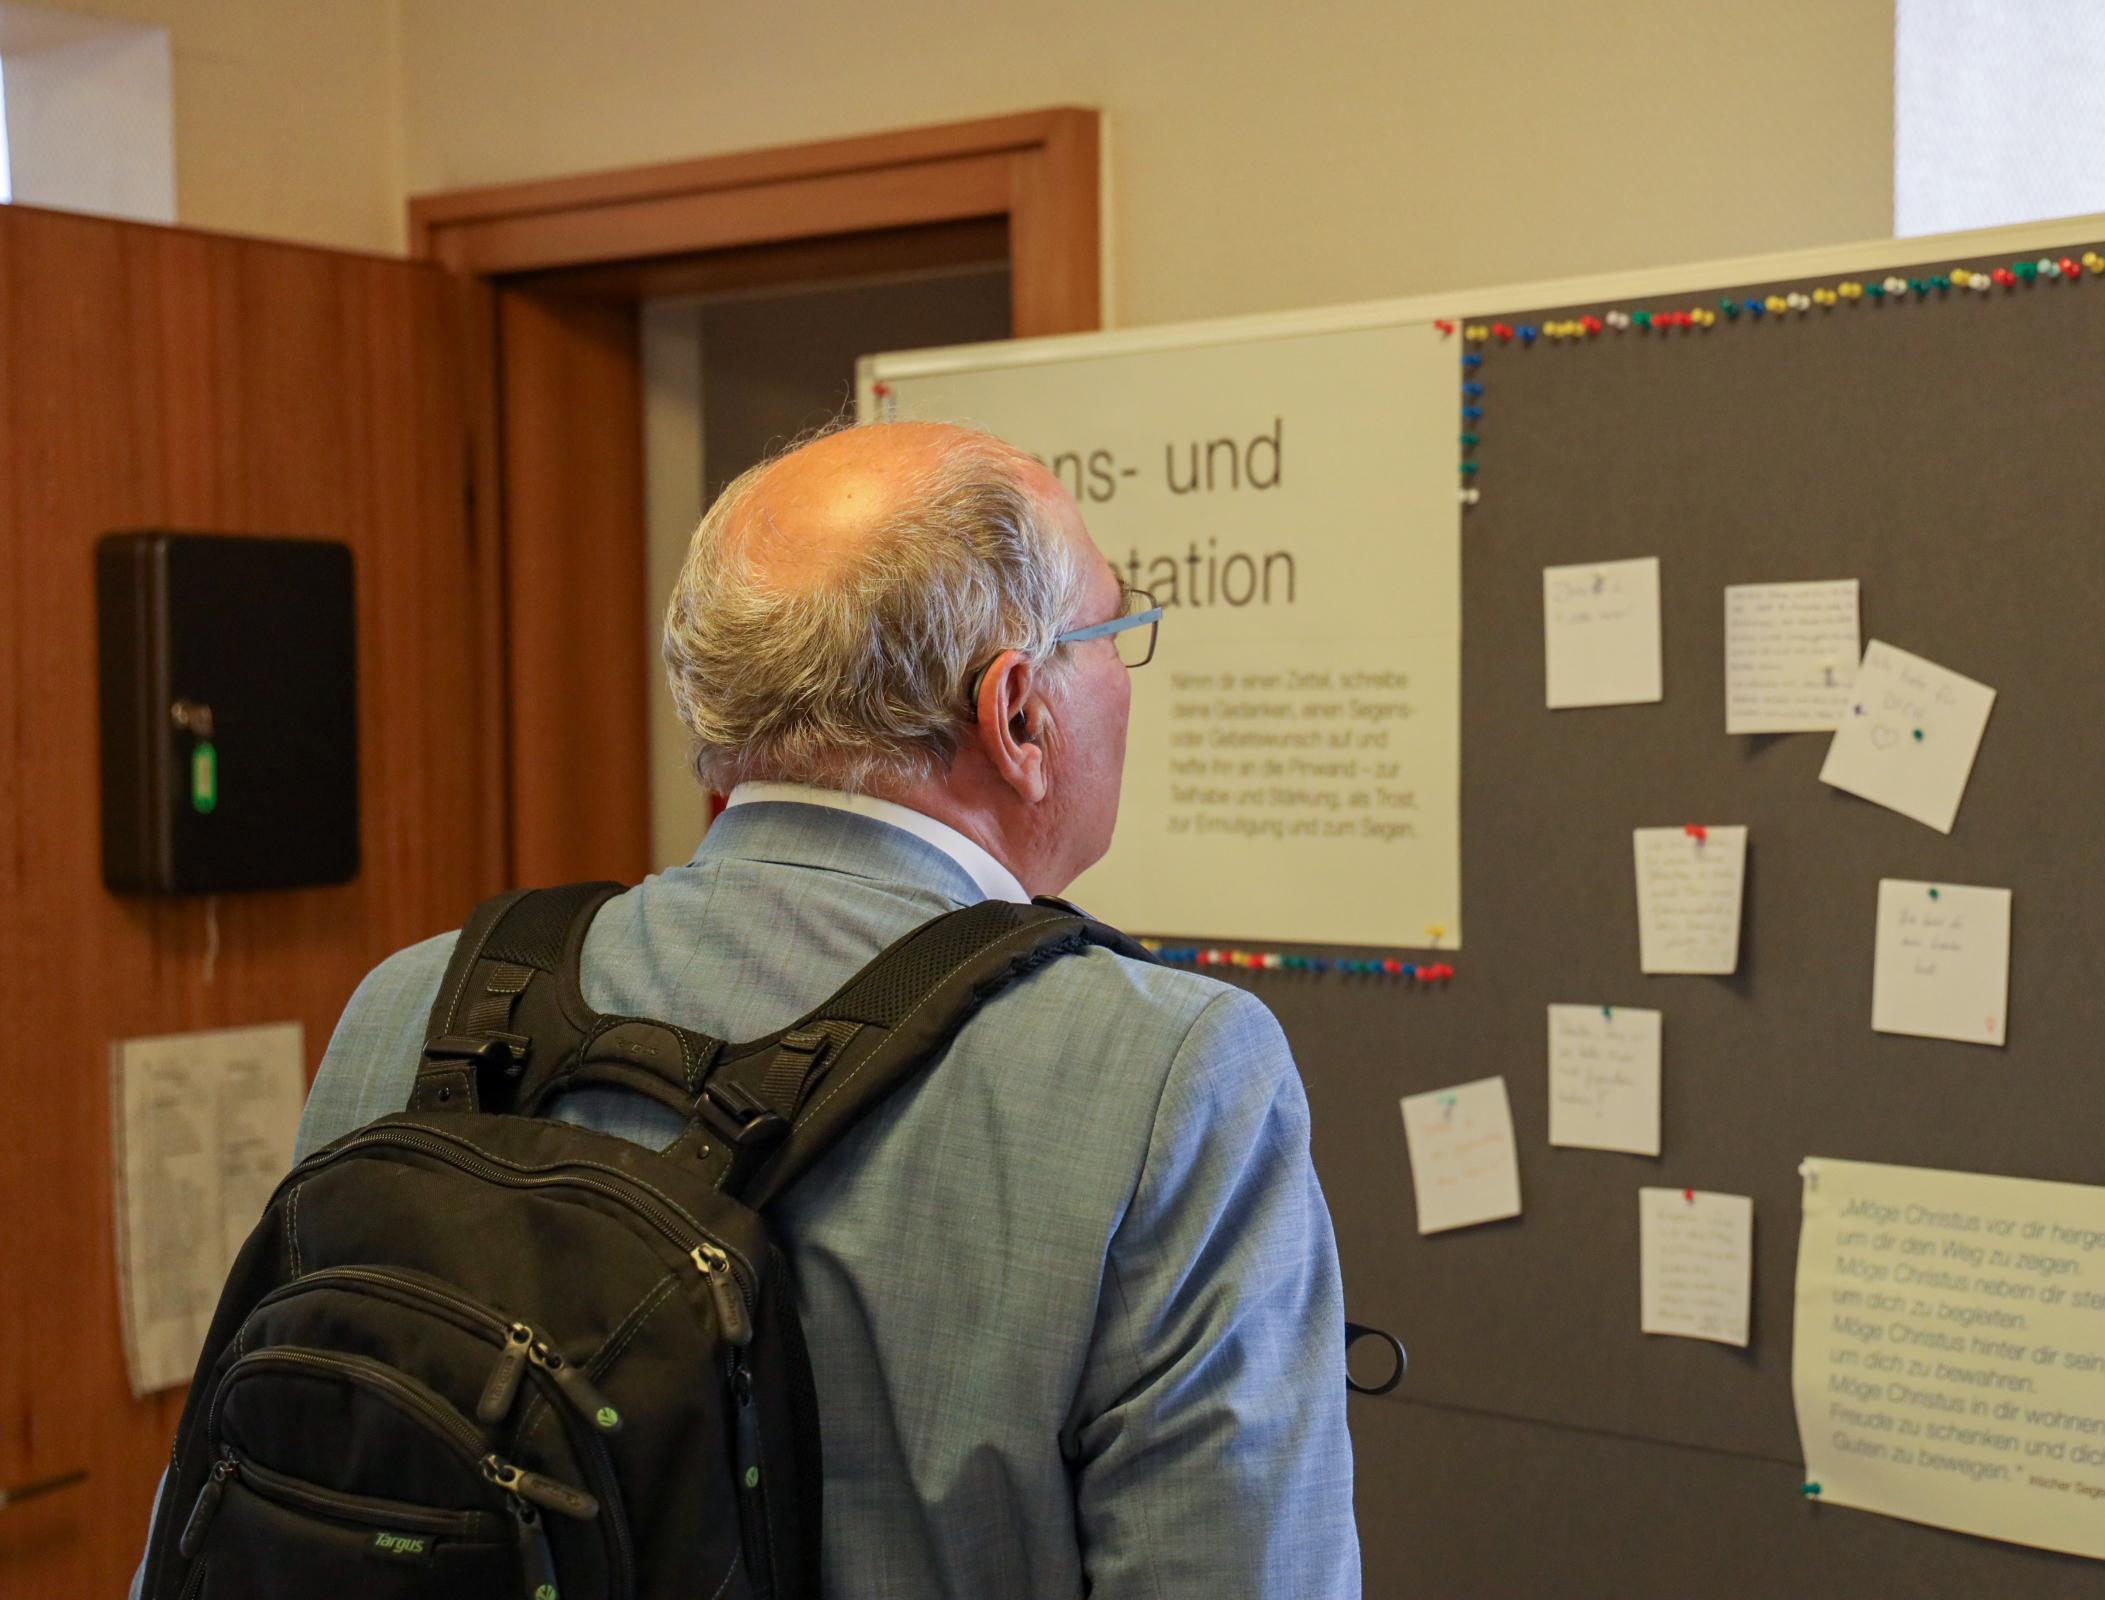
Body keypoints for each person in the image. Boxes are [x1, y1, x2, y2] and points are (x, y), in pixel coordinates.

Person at [137, 421, 1361, 1597]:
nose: (1124, 677)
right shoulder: (1168, 1076)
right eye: (1112, 633)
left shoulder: (416, 1005)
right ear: (1019, 715)